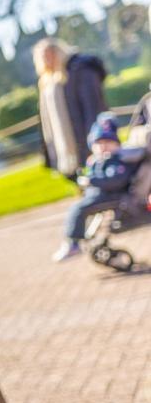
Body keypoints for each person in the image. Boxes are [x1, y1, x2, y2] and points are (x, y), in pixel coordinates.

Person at [53, 114, 147, 261]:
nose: (103, 147)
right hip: (101, 195)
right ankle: (81, 239)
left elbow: (116, 180)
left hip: (114, 196)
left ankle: (74, 242)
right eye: (99, 143)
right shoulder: (99, 160)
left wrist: (91, 180)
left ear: (117, 144)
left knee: (78, 209)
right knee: (80, 208)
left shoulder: (117, 160)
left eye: (108, 142)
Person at [34, 38, 107, 178]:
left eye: (51, 54)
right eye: (44, 57)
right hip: (61, 137)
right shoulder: (47, 81)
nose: (48, 60)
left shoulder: (78, 70)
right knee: (77, 175)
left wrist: (94, 136)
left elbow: (92, 106)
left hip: (84, 134)